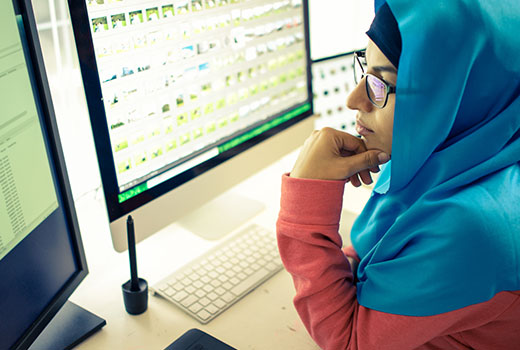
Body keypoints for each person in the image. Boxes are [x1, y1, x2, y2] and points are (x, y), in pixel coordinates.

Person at [276, 1, 520, 349]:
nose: (353, 99)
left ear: (450, 98)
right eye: (365, 69)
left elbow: (350, 343)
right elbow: (371, 262)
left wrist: (304, 208)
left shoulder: (466, 228)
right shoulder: (456, 158)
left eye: (382, 83)